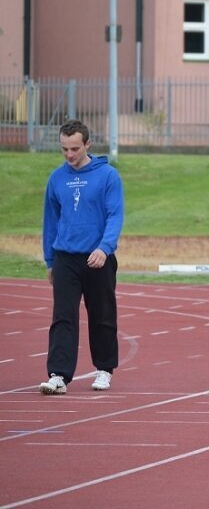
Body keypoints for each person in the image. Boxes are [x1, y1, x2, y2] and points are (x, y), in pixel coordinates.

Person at [39, 119, 124, 394]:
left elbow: (115, 215)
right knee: (63, 316)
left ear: (87, 144)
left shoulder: (108, 176)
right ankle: (58, 376)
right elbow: (50, 220)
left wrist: (104, 248)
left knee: (102, 315)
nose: (69, 155)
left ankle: (103, 369)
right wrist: (50, 260)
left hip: (98, 257)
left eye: (74, 148)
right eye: (64, 149)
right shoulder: (56, 178)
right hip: (65, 257)